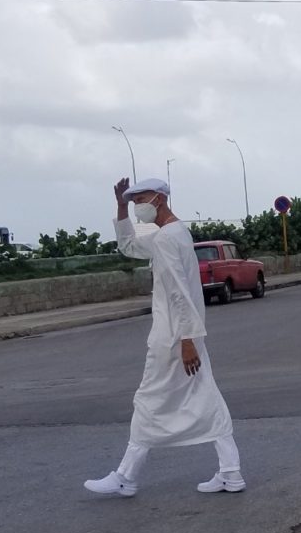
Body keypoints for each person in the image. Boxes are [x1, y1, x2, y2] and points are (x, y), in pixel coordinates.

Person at [84, 178, 245, 497]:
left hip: (173, 337)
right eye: (132, 202)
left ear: (159, 198)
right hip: (183, 335)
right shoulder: (171, 234)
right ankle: (231, 471)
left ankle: (125, 477)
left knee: (149, 399)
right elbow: (129, 246)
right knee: (205, 395)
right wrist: (119, 209)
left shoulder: (168, 239)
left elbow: (178, 292)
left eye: (139, 199)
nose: (136, 206)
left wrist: (186, 339)